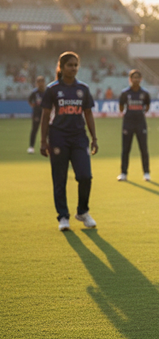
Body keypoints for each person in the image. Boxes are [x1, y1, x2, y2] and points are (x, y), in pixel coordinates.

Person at [40, 51, 98, 231]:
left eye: (75, 65)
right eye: (70, 65)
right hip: (58, 137)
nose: (73, 68)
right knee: (60, 179)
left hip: (79, 137)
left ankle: (82, 212)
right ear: (61, 67)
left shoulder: (83, 89)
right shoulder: (52, 89)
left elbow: (88, 113)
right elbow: (45, 115)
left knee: (85, 176)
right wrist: (43, 141)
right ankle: (63, 217)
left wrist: (94, 138)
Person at [117, 69, 151, 182]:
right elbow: (121, 107)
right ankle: (123, 173)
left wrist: (139, 114)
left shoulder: (144, 93)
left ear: (141, 79)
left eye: (137, 78)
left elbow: (147, 106)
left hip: (141, 123)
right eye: (133, 78)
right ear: (130, 79)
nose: (135, 80)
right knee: (125, 149)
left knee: (143, 149)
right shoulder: (125, 93)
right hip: (128, 124)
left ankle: (146, 173)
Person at [27, 75, 46, 153]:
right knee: (34, 129)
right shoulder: (35, 92)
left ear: (44, 83)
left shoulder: (47, 92)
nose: (40, 84)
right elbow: (30, 100)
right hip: (37, 113)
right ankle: (31, 147)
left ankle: (47, 146)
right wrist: (33, 105)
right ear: (36, 83)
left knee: (47, 130)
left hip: (45, 113)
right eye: (38, 82)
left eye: (41, 82)